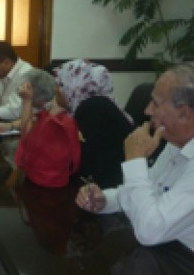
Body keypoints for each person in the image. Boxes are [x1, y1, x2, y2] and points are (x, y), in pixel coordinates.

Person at [76, 62, 194, 250]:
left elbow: (149, 231)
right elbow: (148, 193)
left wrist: (135, 160)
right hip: (168, 252)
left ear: (184, 114)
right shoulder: (175, 145)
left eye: (155, 103)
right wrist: (105, 200)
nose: (147, 110)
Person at [55, 59, 134, 188]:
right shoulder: (98, 103)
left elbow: (77, 160)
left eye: (61, 84)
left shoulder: (93, 110)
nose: (57, 90)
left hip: (110, 188)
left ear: (74, 86)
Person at [14, 68, 81, 187]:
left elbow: (26, 135)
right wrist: (27, 101)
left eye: (60, 85)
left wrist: (27, 101)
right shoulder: (56, 114)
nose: (56, 89)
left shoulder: (60, 122)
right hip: (51, 180)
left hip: (46, 184)